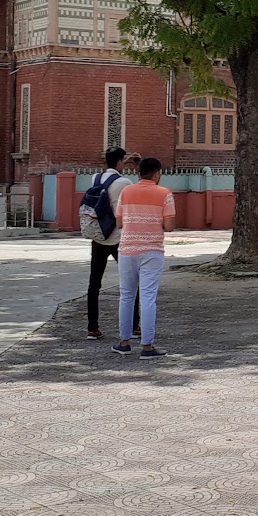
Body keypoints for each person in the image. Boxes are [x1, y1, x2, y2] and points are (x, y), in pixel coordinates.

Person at [112, 156, 175, 358]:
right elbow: (170, 226)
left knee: (127, 295)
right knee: (148, 297)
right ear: (157, 174)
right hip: (152, 250)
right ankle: (147, 346)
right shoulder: (164, 194)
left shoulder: (126, 191)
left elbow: (120, 223)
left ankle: (124, 342)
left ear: (139, 173)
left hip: (127, 249)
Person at [84, 147, 134, 340]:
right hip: (117, 237)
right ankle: (135, 325)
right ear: (121, 161)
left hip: (98, 236)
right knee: (130, 281)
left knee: (94, 283)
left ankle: (92, 327)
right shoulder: (124, 182)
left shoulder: (95, 178)